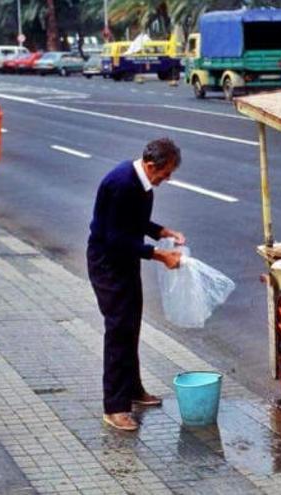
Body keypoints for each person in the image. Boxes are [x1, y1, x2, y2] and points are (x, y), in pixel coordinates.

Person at [87, 137, 185, 431]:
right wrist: (158, 254)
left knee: (131, 325)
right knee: (118, 330)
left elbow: (136, 222)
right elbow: (115, 237)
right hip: (108, 263)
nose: (165, 180)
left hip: (125, 260)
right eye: (164, 174)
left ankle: (132, 389)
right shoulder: (121, 184)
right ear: (151, 165)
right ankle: (115, 407)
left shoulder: (141, 183)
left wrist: (162, 231)